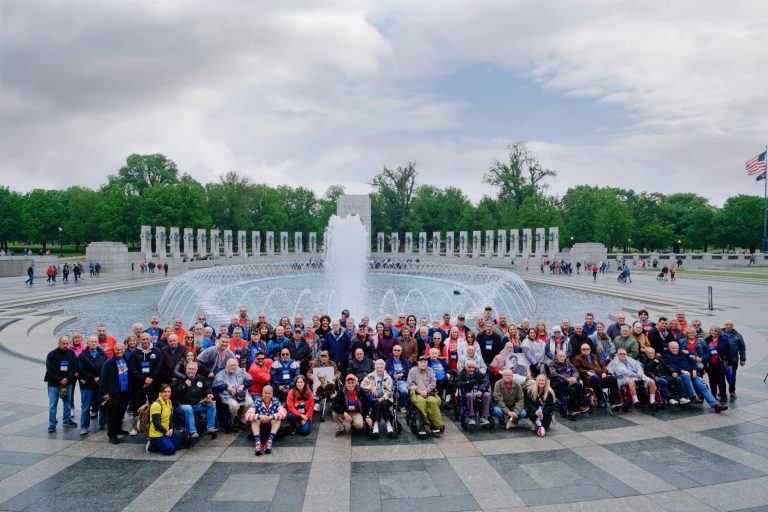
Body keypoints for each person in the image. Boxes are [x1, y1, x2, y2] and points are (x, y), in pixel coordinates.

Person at [664, 341, 727, 412]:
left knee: (702, 386)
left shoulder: (683, 354)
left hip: (691, 373)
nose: (675, 350)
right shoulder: (667, 356)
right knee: (685, 376)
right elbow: (672, 366)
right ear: (669, 348)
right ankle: (693, 396)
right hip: (681, 374)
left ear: (679, 348)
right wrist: (682, 371)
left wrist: (694, 370)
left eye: (676, 348)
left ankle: (716, 405)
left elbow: (692, 362)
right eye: (673, 348)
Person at [128, 332, 163, 435]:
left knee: (154, 404)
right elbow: (133, 370)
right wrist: (144, 379)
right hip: (139, 383)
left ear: (150, 339)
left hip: (153, 383)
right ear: (140, 340)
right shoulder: (134, 353)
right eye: (143, 339)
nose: (145, 341)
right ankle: (136, 426)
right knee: (137, 405)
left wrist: (151, 378)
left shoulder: (157, 351)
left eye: (147, 339)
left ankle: (153, 424)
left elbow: (159, 367)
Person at [172, 361, 218, 438]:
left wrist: (209, 393)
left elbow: (207, 387)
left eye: (193, 369)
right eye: (189, 368)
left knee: (212, 404)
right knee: (188, 408)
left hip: (197, 404)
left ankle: (210, 427)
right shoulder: (179, 379)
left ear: (196, 370)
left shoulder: (201, 378)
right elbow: (174, 393)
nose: (191, 370)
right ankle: (192, 431)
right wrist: (185, 386)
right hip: (182, 406)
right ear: (186, 369)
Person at [99, 342, 132, 444]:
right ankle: (112, 435)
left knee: (121, 413)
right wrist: (105, 393)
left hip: (125, 392)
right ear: (114, 350)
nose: (120, 351)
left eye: (122, 349)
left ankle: (119, 429)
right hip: (114, 393)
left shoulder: (125, 360)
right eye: (118, 350)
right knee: (113, 414)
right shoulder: (109, 362)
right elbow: (103, 378)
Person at [572, 343, 622, 409]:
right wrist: (587, 372)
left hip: (601, 377)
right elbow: (577, 369)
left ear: (590, 349)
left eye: (587, 349)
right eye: (583, 349)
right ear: (581, 350)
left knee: (613, 378)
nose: (586, 350)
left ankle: (613, 400)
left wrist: (604, 372)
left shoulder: (594, 356)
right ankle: (601, 400)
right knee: (595, 378)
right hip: (589, 379)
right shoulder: (577, 358)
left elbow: (603, 366)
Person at [45, 336, 78, 433]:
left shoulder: (71, 353)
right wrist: (60, 380)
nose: (65, 345)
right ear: (59, 343)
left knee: (67, 403)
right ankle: (51, 424)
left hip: (68, 382)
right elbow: (50, 370)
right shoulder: (52, 354)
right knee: (53, 404)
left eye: (67, 344)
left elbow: (75, 366)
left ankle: (67, 420)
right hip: (54, 383)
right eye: (63, 343)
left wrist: (67, 378)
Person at [76, 335, 107, 435]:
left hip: (100, 384)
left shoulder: (103, 354)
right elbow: (81, 370)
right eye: (91, 342)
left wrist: (101, 378)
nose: (93, 343)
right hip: (88, 385)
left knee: (103, 405)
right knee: (86, 406)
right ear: (87, 343)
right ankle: (84, 426)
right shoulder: (82, 355)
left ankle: (104, 423)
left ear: (98, 343)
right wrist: (93, 378)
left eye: (95, 342)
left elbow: (106, 368)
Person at [213, 358, 254, 432]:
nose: (233, 367)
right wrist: (227, 387)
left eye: (235, 365)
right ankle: (233, 422)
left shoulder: (241, 372)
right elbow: (215, 386)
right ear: (227, 365)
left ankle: (242, 420)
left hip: (241, 393)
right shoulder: (221, 373)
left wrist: (243, 386)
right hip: (227, 395)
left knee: (250, 402)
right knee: (234, 406)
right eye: (231, 365)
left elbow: (250, 380)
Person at [407, 355, 443, 435]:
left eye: (425, 362)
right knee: (421, 402)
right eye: (421, 362)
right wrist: (420, 391)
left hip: (429, 392)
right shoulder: (413, 370)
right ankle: (422, 425)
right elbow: (409, 384)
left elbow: (433, 383)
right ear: (418, 363)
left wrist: (426, 391)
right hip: (417, 393)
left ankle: (434, 425)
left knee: (433, 402)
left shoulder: (430, 370)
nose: (423, 364)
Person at [246, 385, 286, 455]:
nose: (267, 395)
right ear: (262, 393)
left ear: (272, 394)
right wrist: (259, 416)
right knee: (255, 420)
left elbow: (284, 413)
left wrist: (271, 417)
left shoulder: (276, 401)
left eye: (269, 393)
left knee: (277, 419)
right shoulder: (257, 401)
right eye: (265, 393)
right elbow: (247, 415)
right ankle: (258, 443)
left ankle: (269, 442)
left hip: (271, 428)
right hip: (259, 429)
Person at [360, 359, 396, 437]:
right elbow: (362, 384)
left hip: (386, 398)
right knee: (377, 403)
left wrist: (383, 397)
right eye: (378, 367)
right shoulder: (370, 376)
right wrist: (370, 388)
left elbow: (390, 391)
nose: (379, 369)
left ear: (384, 368)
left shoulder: (388, 377)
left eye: (381, 367)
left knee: (383, 403)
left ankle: (387, 425)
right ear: (375, 368)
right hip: (373, 398)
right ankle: (377, 425)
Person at [548, 350, 590, 416]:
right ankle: (573, 409)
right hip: (558, 384)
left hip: (569, 381)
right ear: (556, 357)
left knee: (579, 385)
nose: (562, 358)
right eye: (560, 356)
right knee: (572, 390)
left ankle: (581, 405)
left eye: (563, 356)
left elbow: (575, 370)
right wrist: (566, 379)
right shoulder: (552, 363)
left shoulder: (567, 362)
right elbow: (553, 374)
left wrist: (574, 377)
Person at [146, 383, 183, 455]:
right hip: (157, 434)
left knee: (178, 446)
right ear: (160, 393)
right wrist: (166, 431)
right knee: (171, 450)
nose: (167, 394)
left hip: (167, 431)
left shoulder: (169, 401)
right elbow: (156, 423)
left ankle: (165, 441)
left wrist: (171, 428)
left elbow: (170, 417)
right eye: (165, 392)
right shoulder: (156, 405)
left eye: (169, 392)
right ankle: (152, 444)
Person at [457, 360, 492, 426]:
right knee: (470, 395)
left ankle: (483, 417)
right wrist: (468, 383)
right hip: (467, 392)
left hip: (478, 391)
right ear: (465, 367)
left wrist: (480, 390)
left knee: (487, 395)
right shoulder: (461, 373)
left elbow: (486, 382)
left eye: (473, 367)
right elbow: (458, 383)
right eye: (469, 367)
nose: (471, 369)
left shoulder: (478, 373)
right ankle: (471, 417)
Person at [703, 326, 730, 403]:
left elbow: (728, 351)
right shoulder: (707, 340)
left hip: (720, 362)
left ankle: (723, 395)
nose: (713, 332)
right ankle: (713, 395)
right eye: (711, 330)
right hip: (710, 363)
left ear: (719, 332)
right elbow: (704, 350)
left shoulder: (724, 340)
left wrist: (729, 362)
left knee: (721, 381)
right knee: (712, 381)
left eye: (715, 331)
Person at [722, 320, 746, 399]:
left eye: (730, 324)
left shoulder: (738, 335)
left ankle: (732, 391)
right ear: (724, 325)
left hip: (733, 360)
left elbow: (742, 348)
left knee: (732, 375)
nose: (729, 326)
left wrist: (743, 359)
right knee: (721, 376)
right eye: (727, 324)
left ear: (733, 326)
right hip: (721, 360)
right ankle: (722, 391)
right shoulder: (719, 333)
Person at [386, 345, 411, 412]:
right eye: (395, 350)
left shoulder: (405, 361)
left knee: (405, 391)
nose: (397, 351)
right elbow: (386, 370)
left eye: (398, 350)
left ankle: (401, 406)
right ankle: (392, 405)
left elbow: (408, 370)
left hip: (401, 380)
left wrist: (402, 374)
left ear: (401, 352)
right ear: (392, 351)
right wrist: (393, 375)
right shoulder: (388, 361)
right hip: (391, 380)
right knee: (389, 391)